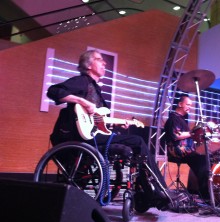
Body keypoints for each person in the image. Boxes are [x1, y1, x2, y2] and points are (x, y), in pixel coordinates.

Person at [46, 49, 180, 210]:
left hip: (92, 134)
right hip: (81, 138)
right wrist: (82, 101)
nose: (104, 63)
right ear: (88, 65)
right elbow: (53, 91)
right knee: (138, 141)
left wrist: (117, 123)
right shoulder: (82, 81)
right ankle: (160, 190)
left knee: (136, 147)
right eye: (99, 59)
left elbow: (97, 121)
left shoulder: (96, 89)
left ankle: (149, 193)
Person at [164, 95, 210, 201]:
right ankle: (206, 196)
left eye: (191, 105)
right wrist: (193, 133)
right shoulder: (173, 119)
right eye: (188, 104)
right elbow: (176, 135)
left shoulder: (181, 120)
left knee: (205, 158)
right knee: (202, 162)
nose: (190, 107)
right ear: (180, 104)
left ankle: (207, 192)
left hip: (187, 151)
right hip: (177, 151)